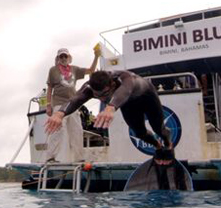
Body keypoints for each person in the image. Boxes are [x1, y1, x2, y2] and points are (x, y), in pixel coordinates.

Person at [45, 70, 173, 164]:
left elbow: (126, 90)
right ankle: (158, 146)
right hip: (128, 104)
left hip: (147, 97)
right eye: (97, 96)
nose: (102, 98)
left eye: (105, 94)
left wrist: (111, 106)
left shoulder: (126, 78)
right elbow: (76, 99)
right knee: (140, 133)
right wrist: (60, 113)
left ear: (112, 85)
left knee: (158, 128)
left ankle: (168, 143)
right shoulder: (90, 87)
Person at [45, 47, 100, 163]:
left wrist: (96, 56)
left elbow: (91, 70)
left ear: (69, 58)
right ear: (58, 58)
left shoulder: (74, 69)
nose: (63, 58)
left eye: (65, 56)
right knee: (57, 130)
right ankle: (50, 157)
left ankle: (79, 158)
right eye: (61, 56)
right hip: (59, 105)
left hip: (72, 105)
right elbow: (50, 88)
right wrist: (48, 105)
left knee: (77, 130)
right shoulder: (53, 70)